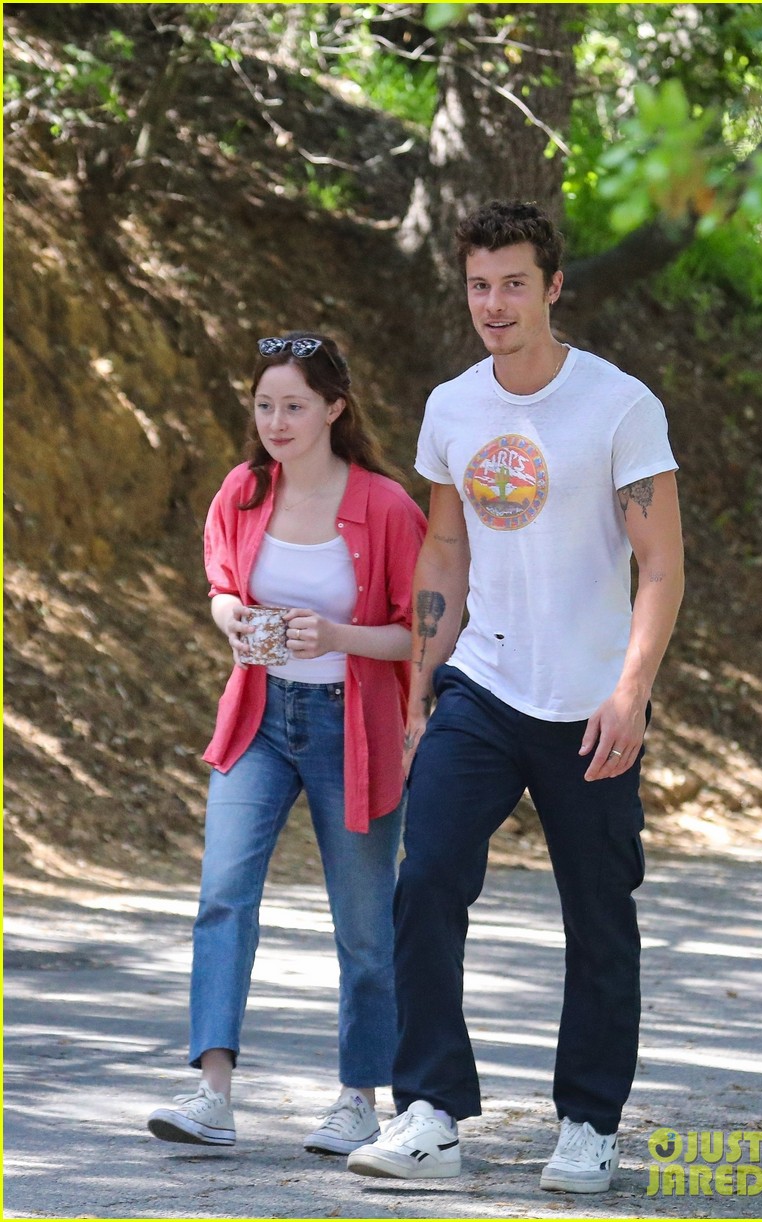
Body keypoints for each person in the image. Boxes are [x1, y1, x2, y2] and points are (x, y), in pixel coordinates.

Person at [347, 200, 684, 1191]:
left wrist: (630, 690)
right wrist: (420, 686)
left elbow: (660, 566)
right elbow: (444, 544)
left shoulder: (618, 407)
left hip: (588, 701)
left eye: (513, 284)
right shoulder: (454, 406)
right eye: (478, 285)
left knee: (598, 910)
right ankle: (431, 1108)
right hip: (482, 688)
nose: (493, 303)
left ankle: (587, 1122)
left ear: (553, 287)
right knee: (426, 876)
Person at [147, 331, 426, 1154]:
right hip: (259, 720)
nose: (276, 420)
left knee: (366, 926)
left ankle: (357, 1100)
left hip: (355, 724)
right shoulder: (241, 492)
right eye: (264, 404)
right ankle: (211, 1091)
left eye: (294, 405)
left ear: (334, 409)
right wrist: (231, 617)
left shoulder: (385, 505)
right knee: (222, 897)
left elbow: (422, 636)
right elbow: (221, 589)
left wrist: (336, 633)